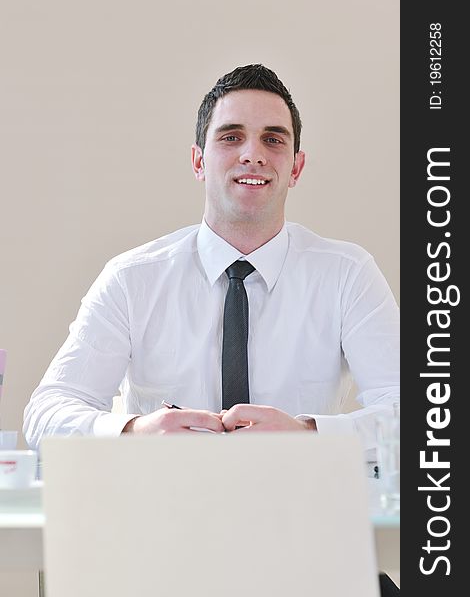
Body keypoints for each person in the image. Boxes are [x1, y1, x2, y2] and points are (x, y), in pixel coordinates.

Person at [24, 63, 400, 595]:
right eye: (231, 137)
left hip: (304, 544)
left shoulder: (347, 274)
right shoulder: (133, 278)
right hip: (158, 548)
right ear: (199, 161)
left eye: (274, 139)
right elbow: (45, 412)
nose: (253, 154)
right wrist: (134, 433)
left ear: (296, 167)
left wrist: (311, 436)